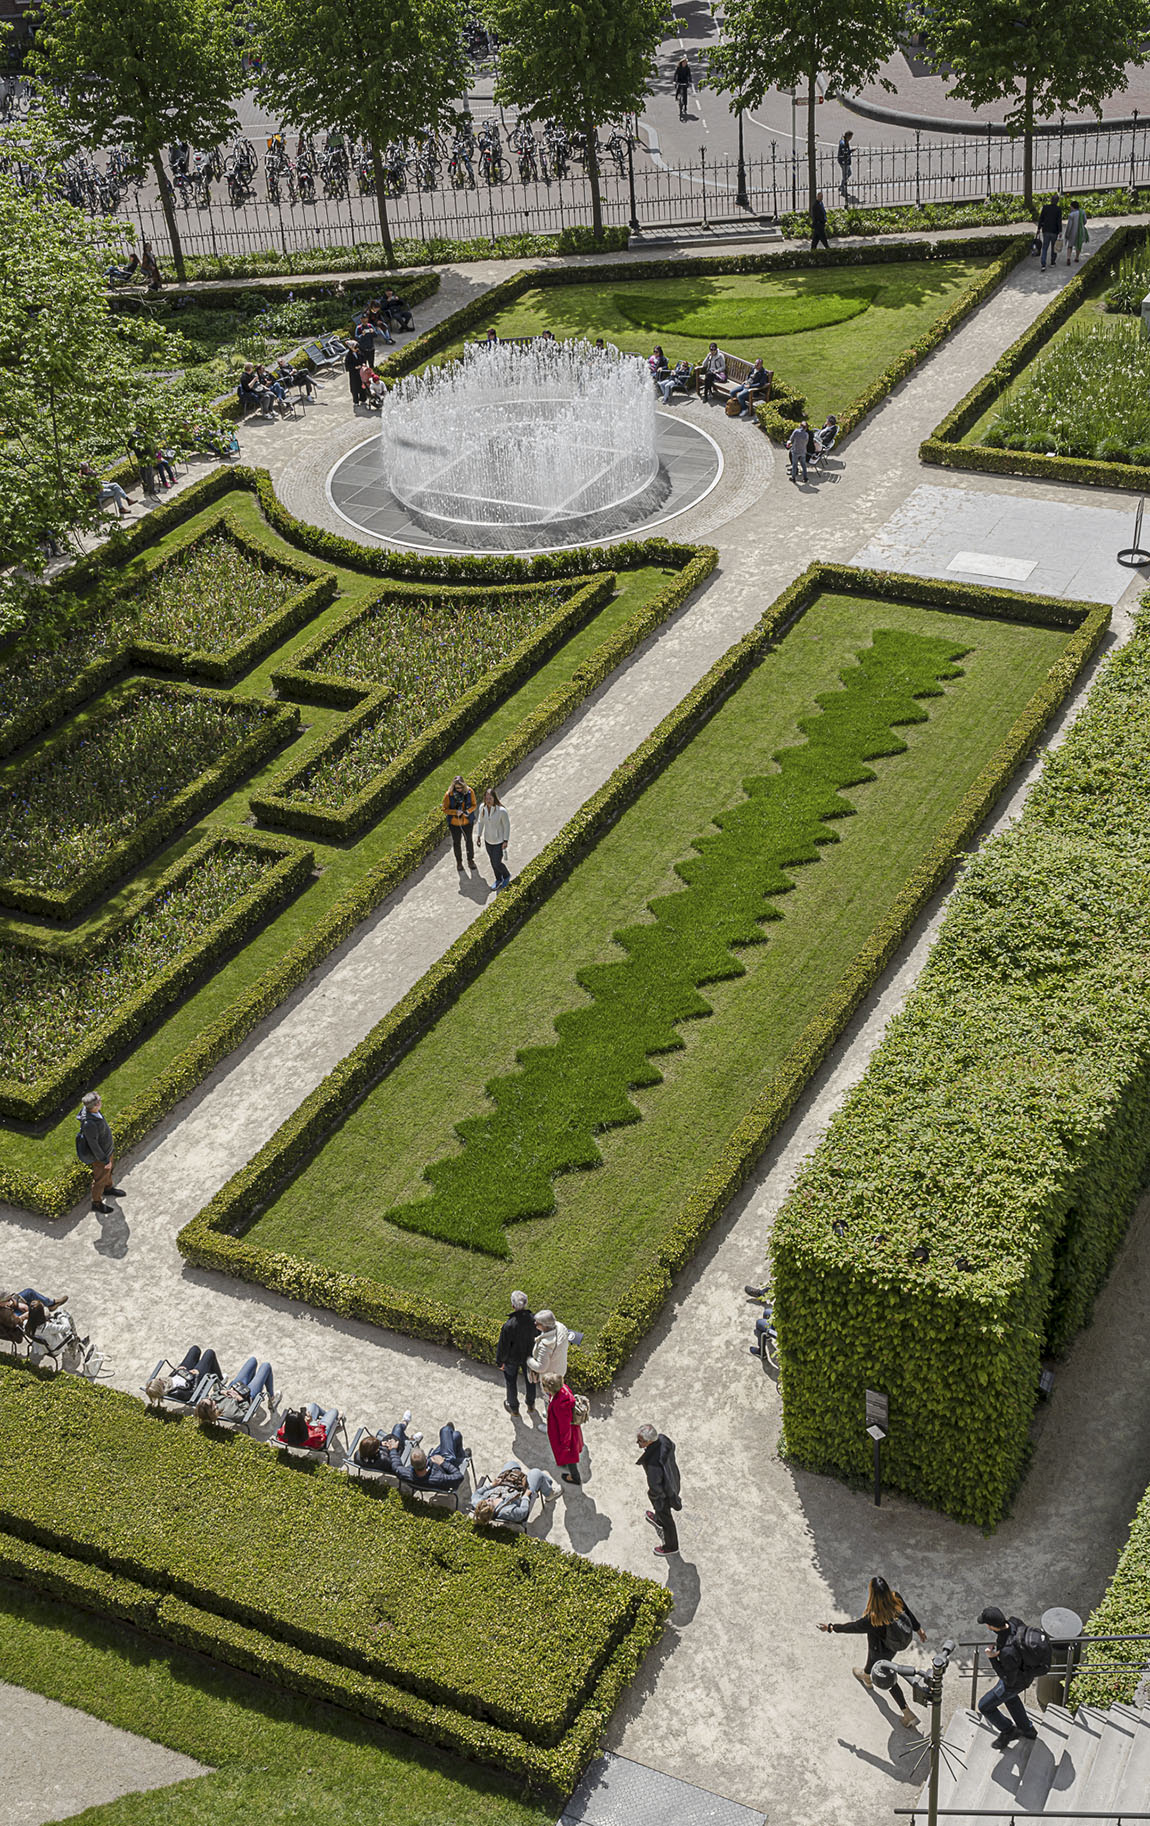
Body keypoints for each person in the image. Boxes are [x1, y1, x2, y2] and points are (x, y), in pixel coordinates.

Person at [818, 1576, 925, 1730]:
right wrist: (918, 1629)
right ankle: (867, 1677)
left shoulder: (873, 1618)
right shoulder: (896, 1599)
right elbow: (908, 1612)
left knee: (886, 1678)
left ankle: (907, 1713)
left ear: (872, 1595)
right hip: (892, 1648)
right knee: (872, 1667)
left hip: (878, 1651)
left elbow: (853, 1627)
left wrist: (831, 1627)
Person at [976, 1606, 1040, 1749]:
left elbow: (1007, 1679)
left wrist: (992, 1658)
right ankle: (1027, 1729)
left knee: (985, 1706)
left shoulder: (1007, 1651)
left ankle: (1008, 1730)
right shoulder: (1014, 1622)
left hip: (1015, 1681)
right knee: (1011, 1699)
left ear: (991, 1626)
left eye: (986, 1623)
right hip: (1025, 1673)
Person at [378, 1415, 467, 1489]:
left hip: (431, 1469)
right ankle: (462, 1455)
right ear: (426, 1460)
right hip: (443, 1465)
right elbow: (459, 1477)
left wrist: (393, 1449)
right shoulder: (438, 1478)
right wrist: (443, 1463)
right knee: (451, 1433)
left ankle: (462, 1454)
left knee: (454, 1437)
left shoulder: (404, 1473)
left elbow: (396, 1465)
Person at [636, 1423, 681, 1557]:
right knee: (662, 1515)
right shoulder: (663, 1439)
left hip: (664, 1495)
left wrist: (656, 1499)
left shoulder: (653, 1463)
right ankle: (658, 1520)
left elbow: (655, 1487)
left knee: (667, 1519)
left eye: (640, 1441)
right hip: (673, 1481)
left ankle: (671, 1546)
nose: (637, 1443)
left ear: (650, 1441)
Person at [75, 1090, 123, 1214]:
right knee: (99, 1180)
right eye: (99, 1100)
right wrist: (104, 1160)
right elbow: (94, 1145)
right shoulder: (89, 1124)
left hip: (107, 1150)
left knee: (108, 1173)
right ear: (96, 1105)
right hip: (101, 1157)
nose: (101, 1101)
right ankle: (96, 1203)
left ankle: (108, 1188)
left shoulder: (93, 1111)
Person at [470, 1459, 556, 1524]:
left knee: (511, 1464)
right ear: (491, 1511)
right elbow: (523, 1512)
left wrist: (492, 1485)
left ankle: (545, 1483)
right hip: (522, 1490)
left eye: (484, 1500)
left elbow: (476, 1494)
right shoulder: (507, 1512)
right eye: (488, 1502)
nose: (488, 1500)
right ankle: (549, 1493)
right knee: (536, 1472)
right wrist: (526, 1496)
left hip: (506, 1482)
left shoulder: (477, 1503)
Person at [497, 1290, 538, 1420]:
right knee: (530, 1380)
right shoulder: (534, 1320)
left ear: (513, 1306)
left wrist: (500, 1362)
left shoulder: (509, 1325)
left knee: (510, 1382)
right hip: (529, 1357)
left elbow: (503, 1347)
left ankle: (514, 1408)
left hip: (512, 1360)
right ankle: (531, 1404)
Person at [196, 1356, 275, 1422]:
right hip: (248, 1396)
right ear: (211, 1409)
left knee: (252, 1361)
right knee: (266, 1366)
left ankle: (250, 1380)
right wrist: (240, 1399)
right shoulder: (229, 1413)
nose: (209, 1398)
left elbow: (215, 1394)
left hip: (234, 1387)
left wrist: (222, 1392)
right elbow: (245, 1413)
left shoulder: (211, 1401)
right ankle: (272, 1398)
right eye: (210, 1400)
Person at [146, 1344, 223, 1404]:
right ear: (160, 1388)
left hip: (182, 1373)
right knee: (209, 1353)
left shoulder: (165, 1384)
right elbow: (192, 1392)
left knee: (195, 1350)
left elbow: (171, 1378)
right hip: (194, 1380)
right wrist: (196, 1374)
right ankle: (219, 1381)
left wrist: (176, 1371)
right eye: (158, 1381)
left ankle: (214, 1377)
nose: (159, 1379)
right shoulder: (175, 1392)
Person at [542, 1375, 583, 1484]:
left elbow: (564, 1427)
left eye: (544, 1386)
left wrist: (565, 1445)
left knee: (570, 1456)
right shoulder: (563, 1389)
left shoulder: (560, 1405)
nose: (542, 1388)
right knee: (569, 1455)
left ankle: (575, 1477)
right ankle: (565, 1462)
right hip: (569, 1431)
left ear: (550, 1389)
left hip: (564, 1435)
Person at [476, 786, 511, 889]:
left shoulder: (501, 811)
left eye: (490, 799)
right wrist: (479, 835)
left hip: (499, 841)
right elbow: (480, 822)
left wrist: (505, 840)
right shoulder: (482, 808)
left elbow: (507, 826)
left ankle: (506, 875)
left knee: (496, 862)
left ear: (494, 798)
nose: (488, 801)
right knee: (492, 862)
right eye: (486, 799)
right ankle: (498, 879)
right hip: (488, 841)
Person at [443, 774, 478, 872]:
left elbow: (474, 805)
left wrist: (468, 811)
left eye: (461, 787)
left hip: (467, 822)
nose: (459, 789)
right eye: (457, 788)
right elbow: (445, 809)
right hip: (454, 824)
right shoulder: (448, 795)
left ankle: (470, 860)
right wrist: (454, 812)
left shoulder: (470, 792)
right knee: (456, 843)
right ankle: (459, 862)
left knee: (469, 841)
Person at [528, 1308, 572, 1383]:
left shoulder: (546, 1345)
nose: (535, 1323)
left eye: (538, 1323)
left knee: (550, 1394)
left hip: (549, 1379)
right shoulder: (561, 1327)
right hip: (560, 1370)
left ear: (545, 1326)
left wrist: (529, 1360)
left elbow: (541, 1367)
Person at [1038, 193, 1062, 270]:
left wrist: (1039, 228)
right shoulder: (1058, 209)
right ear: (1057, 201)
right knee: (1053, 247)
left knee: (1045, 247)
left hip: (1046, 230)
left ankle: (1043, 264)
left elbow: (1041, 218)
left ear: (1051, 200)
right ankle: (1052, 262)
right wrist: (1060, 231)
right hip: (1054, 231)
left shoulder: (1045, 208)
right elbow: (1059, 221)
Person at [787, 419, 811, 483]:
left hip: (795, 451)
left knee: (794, 465)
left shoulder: (796, 431)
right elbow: (806, 443)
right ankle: (805, 478)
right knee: (803, 465)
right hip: (803, 451)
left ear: (800, 425)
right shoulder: (806, 434)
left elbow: (791, 439)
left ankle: (793, 478)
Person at [1066, 197, 1088, 263]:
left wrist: (1067, 234)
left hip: (1072, 232)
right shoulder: (1082, 212)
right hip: (1080, 231)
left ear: (1073, 207)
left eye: (1070, 207)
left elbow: (1069, 225)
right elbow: (1085, 221)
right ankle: (1077, 257)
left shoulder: (1071, 215)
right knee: (1078, 245)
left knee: (1070, 245)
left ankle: (1068, 258)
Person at [345, 341, 366, 406]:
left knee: (363, 386)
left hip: (361, 372)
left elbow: (363, 359)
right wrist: (354, 367)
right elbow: (347, 367)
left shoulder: (359, 352)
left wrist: (363, 363)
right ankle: (356, 401)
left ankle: (363, 399)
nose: (357, 349)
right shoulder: (348, 356)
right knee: (355, 388)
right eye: (355, 348)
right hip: (354, 374)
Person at [674, 54, 692, 120]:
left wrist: (690, 80)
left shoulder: (687, 68)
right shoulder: (678, 68)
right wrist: (674, 81)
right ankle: (676, 96)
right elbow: (675, 74)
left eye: (686, 63)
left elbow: (689, 75)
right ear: (682, 62)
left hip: (685, 81)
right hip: (679, 81)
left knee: (685, 94)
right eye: (684, 62)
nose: (685, 63)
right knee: (678, 89)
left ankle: (685, 106)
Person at [837, 130, 854, 198]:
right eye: (850, 137)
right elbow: (845, 153)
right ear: (848, 136)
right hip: (844, 162)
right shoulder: (843, 143)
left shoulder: (844, 141)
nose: (851, 138)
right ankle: (843, 190)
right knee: (845, 175)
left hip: (844, 161)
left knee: (848, 173)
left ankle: (841, 187)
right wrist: (850, 151)